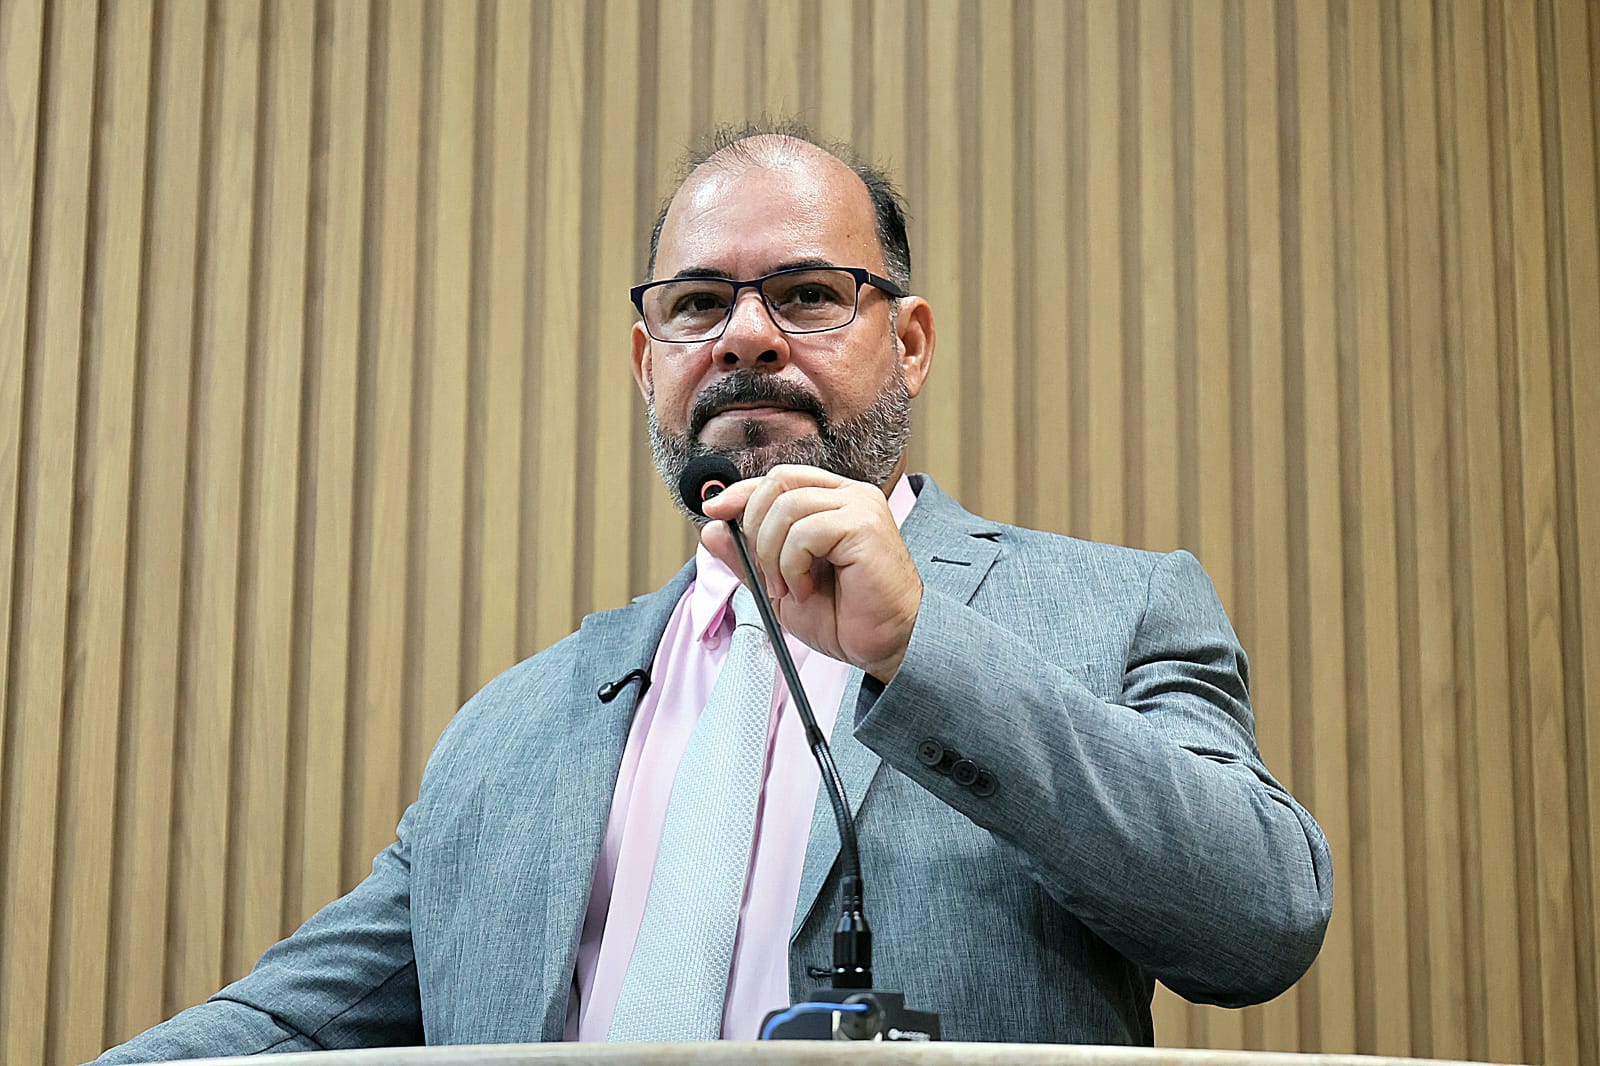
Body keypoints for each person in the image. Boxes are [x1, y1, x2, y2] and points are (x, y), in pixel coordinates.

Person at [94, 125, 1331, 1060]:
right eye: (698, 304)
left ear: (907, 343)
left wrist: (922, 648)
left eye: (807, 294)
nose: (745, 335)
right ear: (650, 367)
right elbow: (284, 1024)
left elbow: (1261, 919)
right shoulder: (509, 729)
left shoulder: (1113, 611)